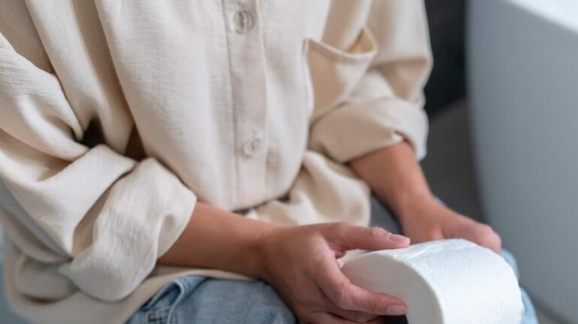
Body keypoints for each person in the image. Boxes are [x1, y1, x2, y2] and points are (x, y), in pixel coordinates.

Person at [0, 1, 538, 323]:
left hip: (325, 189)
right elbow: (56, 185)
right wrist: (261, 250)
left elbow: (367, 79)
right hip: (136, 267)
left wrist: (417, 204)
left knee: (499, 292)